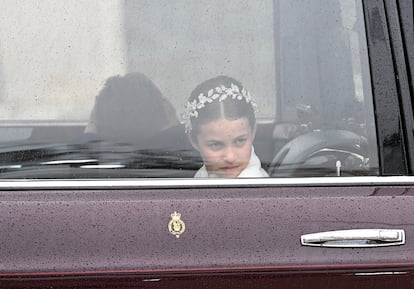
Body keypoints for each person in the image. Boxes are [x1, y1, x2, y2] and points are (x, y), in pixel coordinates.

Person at [182, 75, 269, 178]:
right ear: (194, 141)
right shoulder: (203, 174)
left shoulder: (254, 185)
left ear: (253, 132)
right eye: (216, 145)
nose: (230, 157)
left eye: (240, 141)